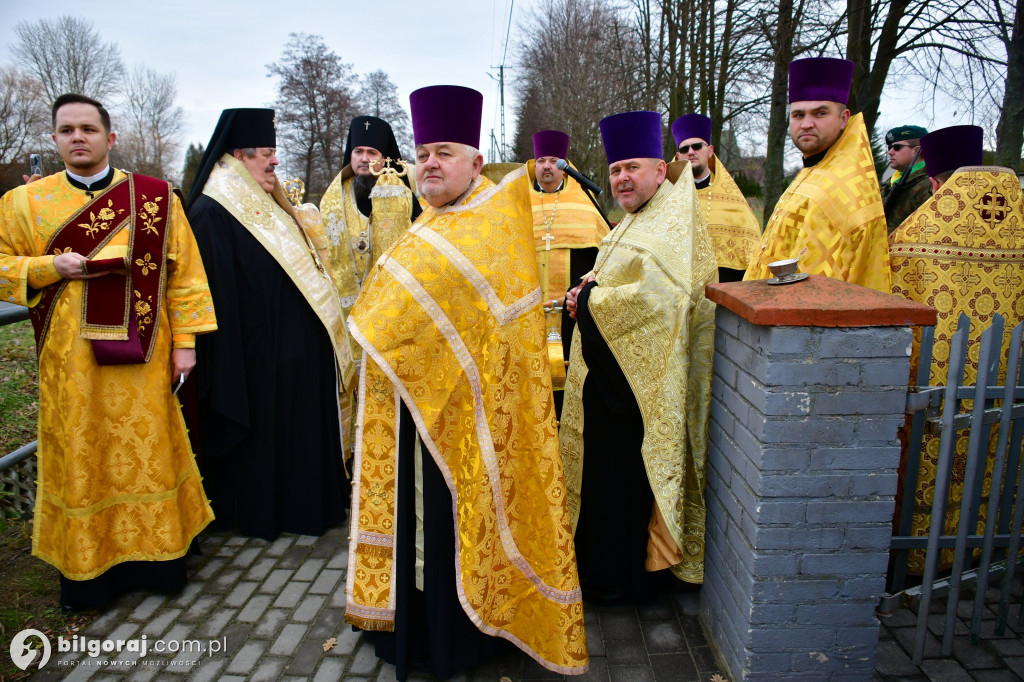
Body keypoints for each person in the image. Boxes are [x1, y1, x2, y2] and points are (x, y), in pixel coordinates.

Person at [344, 85, 588, 680]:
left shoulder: (490, 225)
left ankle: (458, 634)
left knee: (451, 521)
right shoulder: (430, 224)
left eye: (445, 151)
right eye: (424, 151)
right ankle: (420, 625)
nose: (431, 162)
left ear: (475, 162)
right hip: (412, 408)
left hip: (466, 417)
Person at [0, 93, 217, 610]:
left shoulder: (156, 197)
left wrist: (184, 345)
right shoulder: (23, 204)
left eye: (89, 129)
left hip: (143, 356)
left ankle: (159, 562)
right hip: (69, 365)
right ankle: (89, 574)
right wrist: (49, 268)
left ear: (109, 138)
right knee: (83, 455)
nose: (78, 137)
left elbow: (185, 276)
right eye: (67, 129)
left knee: (149, 453)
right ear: (54, 139)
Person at [560, 110, 717, 604]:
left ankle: (620, 584)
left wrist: (585, 302)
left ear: (658, 169)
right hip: (611, 375)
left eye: (632, 167)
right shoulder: (635, 218)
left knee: (621, 488)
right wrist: (585, 291)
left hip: (636, 392)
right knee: (603, 484)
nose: (622, 178)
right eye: (615, 170)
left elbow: (658, 302)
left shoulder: (670, 221)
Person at [186, 108, 355, 541]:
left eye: (274, 153)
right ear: (236, 157)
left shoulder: (266, 201)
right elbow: (220, 297)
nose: (275, 163)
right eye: (265, 154)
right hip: (259, 361)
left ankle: (310, 505)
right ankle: (275, 512)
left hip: (293, 356)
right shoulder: (212, 212)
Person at [889, 124, 1023, 573]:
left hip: (937, 384)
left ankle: (919, 555)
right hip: (1006, 382)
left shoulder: (912, 234)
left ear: (934, 183)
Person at [745, 57, 890, 292]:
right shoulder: (814, 171)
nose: (806, 124)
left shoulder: (839, 185)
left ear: (844, 119)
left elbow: (815, 286)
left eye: (820, 113)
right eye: (798, 115)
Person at [528, 129, 609, 416]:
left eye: (553, 160)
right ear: (534, 165)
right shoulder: (520, 204)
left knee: (572, 381)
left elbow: (602, 259)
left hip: (572, 315)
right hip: (530, 315)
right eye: (541, 160)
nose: (547, 166)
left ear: (564, 165)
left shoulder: (584, 204)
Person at [319, 115, 420, 311]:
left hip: (392, 304)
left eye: (372, 152)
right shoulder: (333, 199)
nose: (364, 158)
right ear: (351, 155)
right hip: (345, 306)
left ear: (384, 159)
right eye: (358, 152)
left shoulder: (404, 196)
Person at [671, 113, 761, 282]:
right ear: (677, 157)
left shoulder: (733, 201)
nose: (690, 152)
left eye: (697, 146)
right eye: (684, 149)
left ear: (710, 151)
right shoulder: (667, 199)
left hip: (724, 288)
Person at [881, 125, 931, 233]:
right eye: (890, 147)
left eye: (897, 147)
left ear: (916, 150)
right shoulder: (890, 183)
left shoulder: (929, 185)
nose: (890, 152)